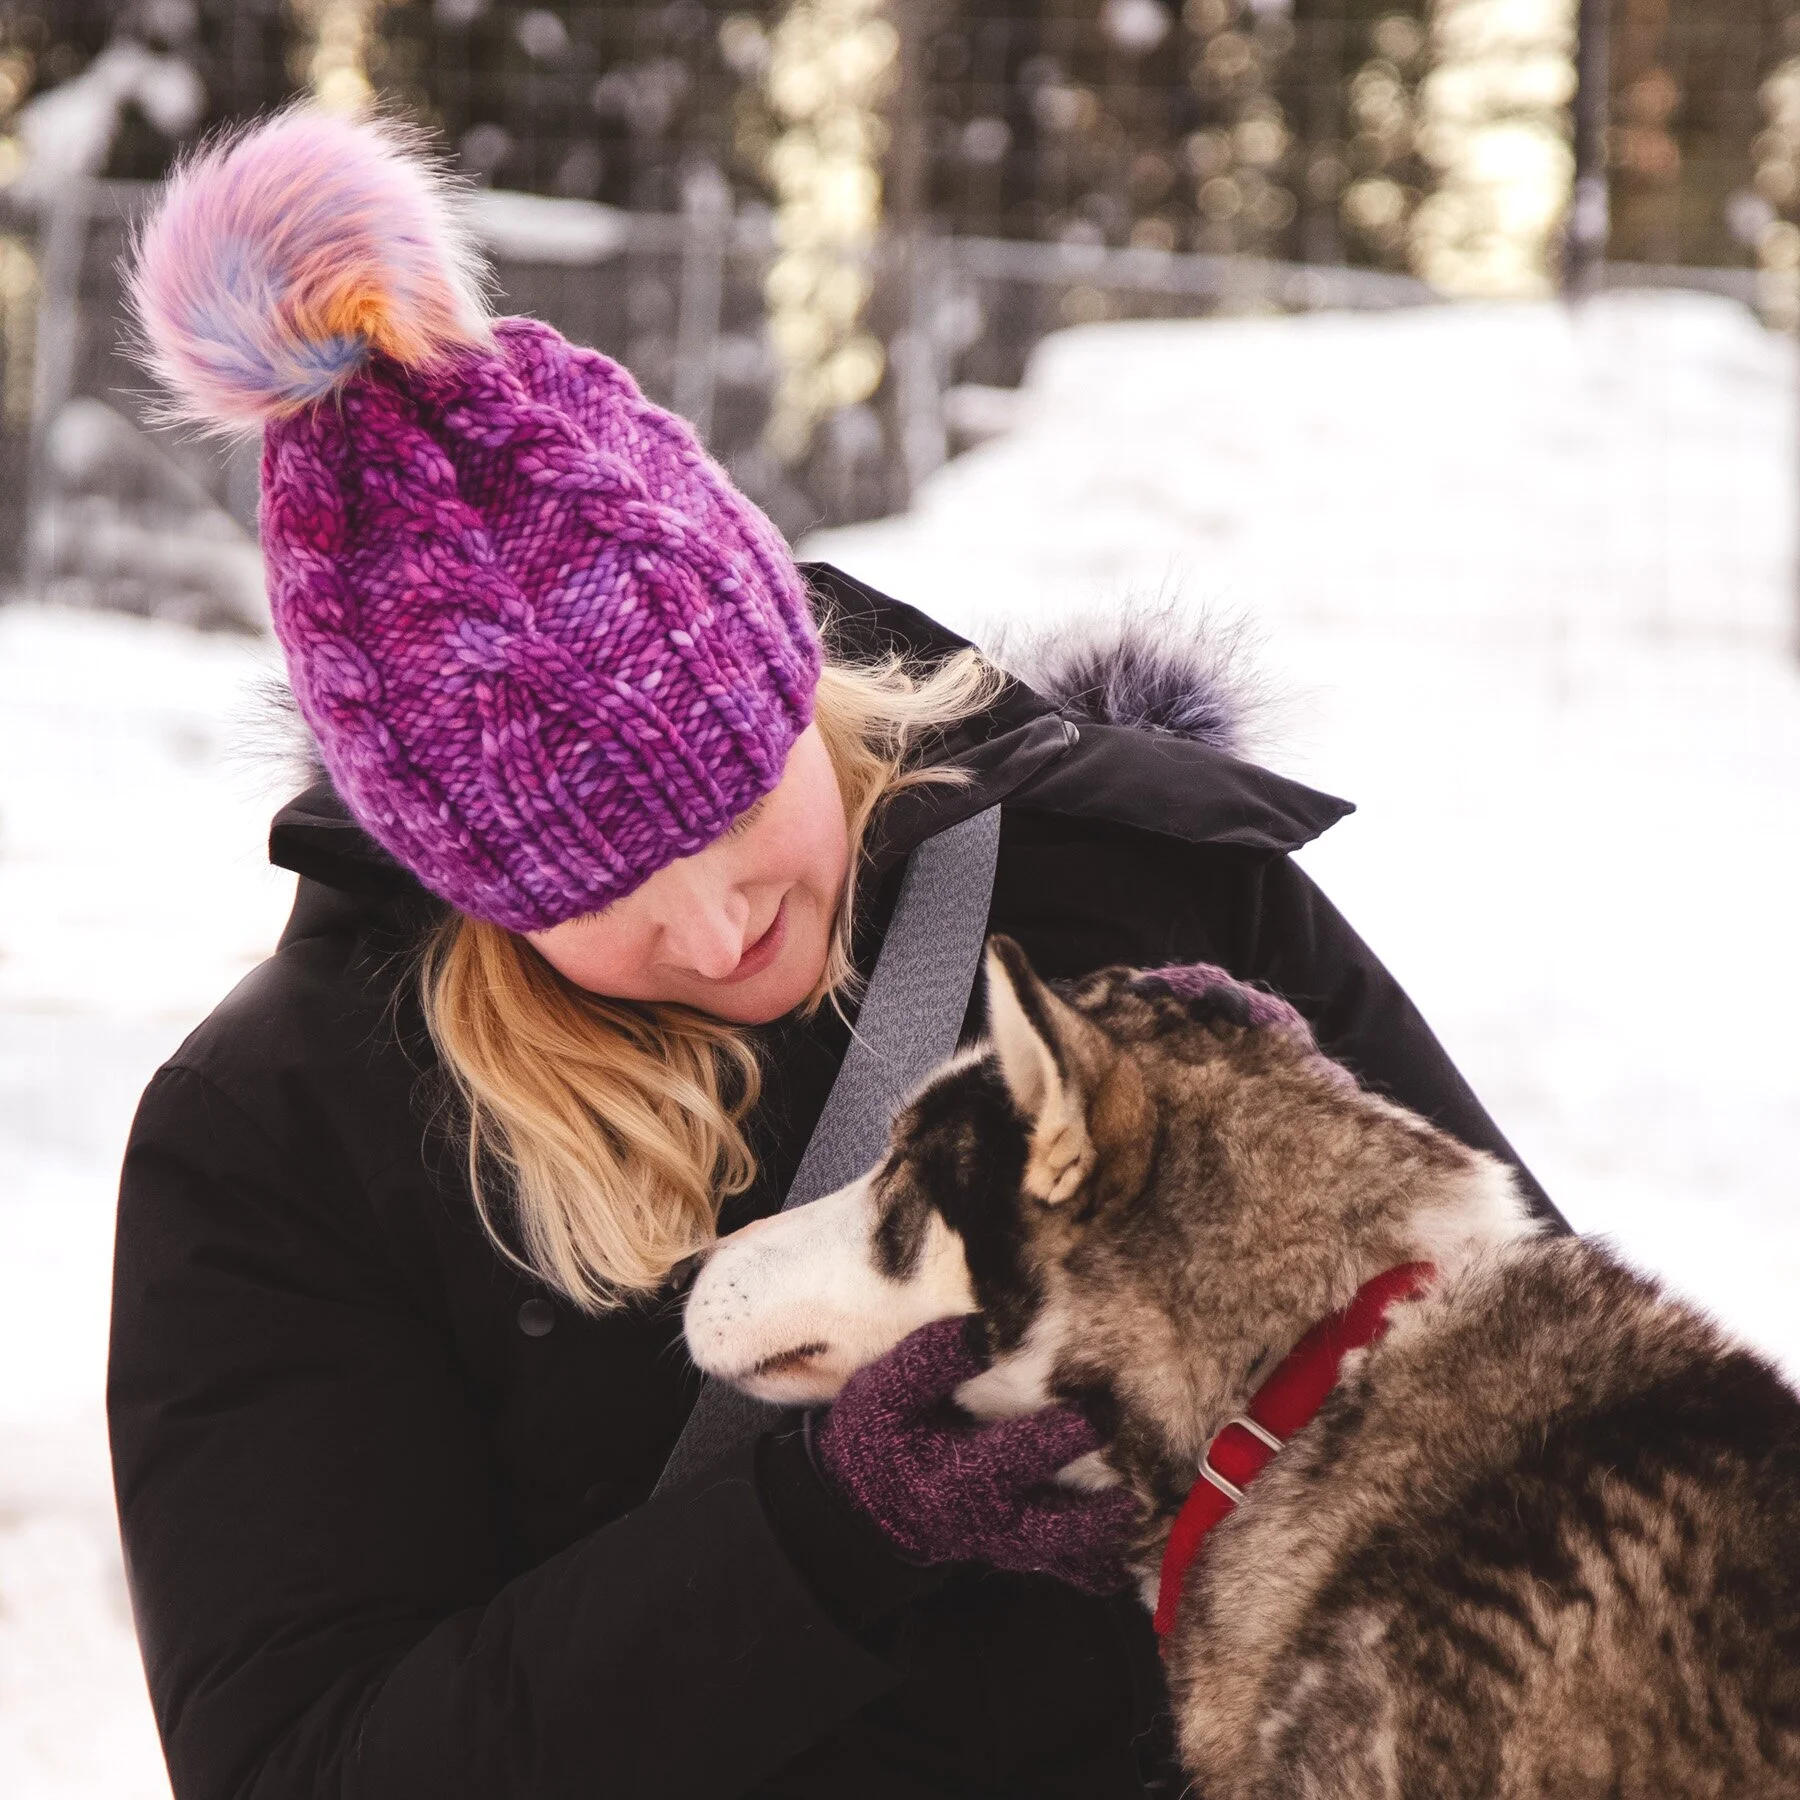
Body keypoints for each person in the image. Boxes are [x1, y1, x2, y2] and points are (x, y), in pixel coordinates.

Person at [109, 109, 1561, 1800]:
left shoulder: (1136, 889)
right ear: (461, 877)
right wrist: (826, 1529)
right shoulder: (288, 1139)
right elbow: (306, 1763)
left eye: (737, 806)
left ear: (795, 675)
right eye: (604, 889)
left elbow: (1550, 1438)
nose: (717, 922)